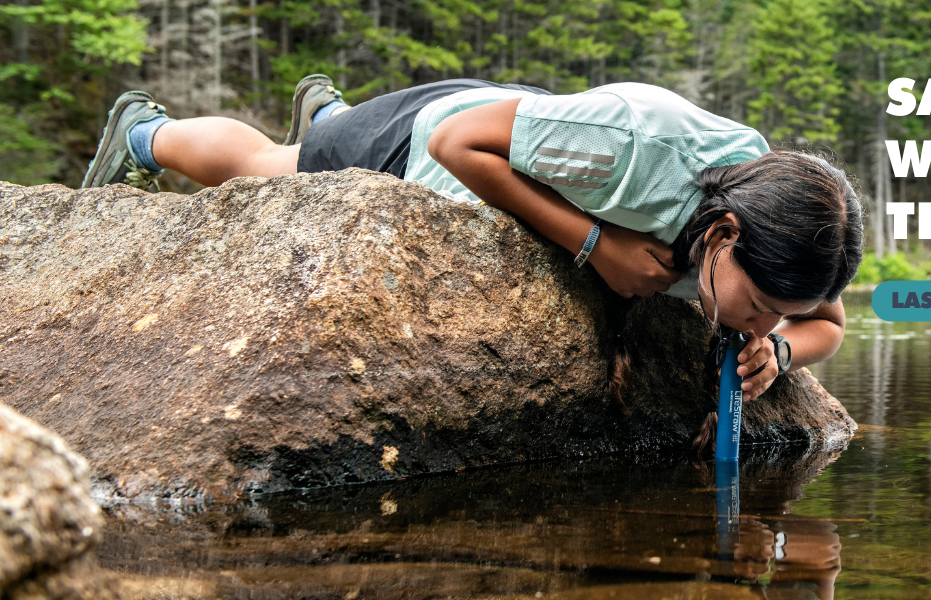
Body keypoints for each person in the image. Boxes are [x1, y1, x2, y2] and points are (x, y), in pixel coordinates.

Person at [81, 76, 862, 433]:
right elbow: (461, 143)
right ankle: (145, 134)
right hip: (430, 138)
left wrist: (781, 351)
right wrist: (597, 246)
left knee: (318, 140)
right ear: (721, 234)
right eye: (756, 306)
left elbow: (827, 324)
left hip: (539, 131)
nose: (753, 322)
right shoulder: (639, 141)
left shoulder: (784, 231)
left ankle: (334, 110)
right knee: (272, 167)